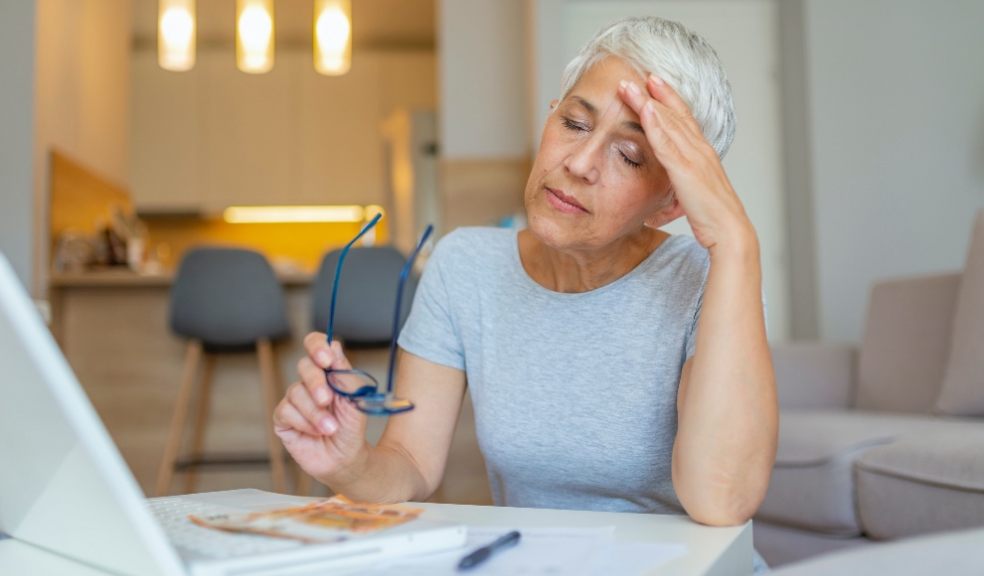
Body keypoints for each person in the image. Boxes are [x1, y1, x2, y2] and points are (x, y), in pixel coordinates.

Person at [274, 16, 777, 531]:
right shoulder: (464, 266)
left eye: (628, 155)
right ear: (550, 118)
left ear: (671, 202)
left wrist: (736, 242)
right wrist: (349, 464)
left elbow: (721, 501)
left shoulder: (711, 283)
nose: (580, 162)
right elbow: (411, 464)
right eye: (575, 125)